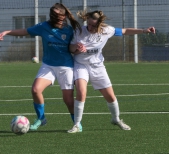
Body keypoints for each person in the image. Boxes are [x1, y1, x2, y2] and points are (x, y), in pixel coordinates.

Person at [67, 10, 155, 133]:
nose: (90, 27)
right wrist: (76, 48)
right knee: (81, 92)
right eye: (89, 24)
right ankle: (76, 124)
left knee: (111, 96)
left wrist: (144, 30)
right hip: (80, 65)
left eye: (94, 25)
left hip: (97, 66)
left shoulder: (106, 30)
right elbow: (71, 48)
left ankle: (116, 119)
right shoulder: (79, 31)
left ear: (100, 24)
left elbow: (124, 31)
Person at [0, 3, 83, 131]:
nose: (55, 18)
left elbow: (75, 46)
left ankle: (76, 123)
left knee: (68, 100)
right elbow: (25, 31)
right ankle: (41, 118)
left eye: (58, 15)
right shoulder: (44, 26)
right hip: (48, 65)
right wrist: (7, 32)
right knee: (35, 90)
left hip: (65, 66)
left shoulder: (70, 30)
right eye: (53, 15)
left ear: (64, 15)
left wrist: (79, 49)